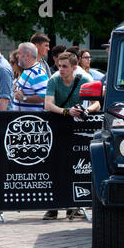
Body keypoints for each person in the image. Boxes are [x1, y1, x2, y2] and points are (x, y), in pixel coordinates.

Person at [43, 52, 100, 220]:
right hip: (57, 124)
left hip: (77, 127)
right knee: (56, 166)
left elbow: (97, 102)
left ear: (74, 68)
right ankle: (53, 206)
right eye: (59, 66)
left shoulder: (84, 79)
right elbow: (47, 104)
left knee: (76, 165)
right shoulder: (53, 80)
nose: (60, 69)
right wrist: (68, 112)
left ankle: (73, 205)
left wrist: (87, 110)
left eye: (65, 67)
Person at [13, 42, 49, 111]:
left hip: (31, 120)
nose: (17, 56)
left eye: (19, 53)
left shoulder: (37, 73)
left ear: (27, 55)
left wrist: (24, 98)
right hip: (24, 119)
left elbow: (44, 97)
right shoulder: (27, 70)